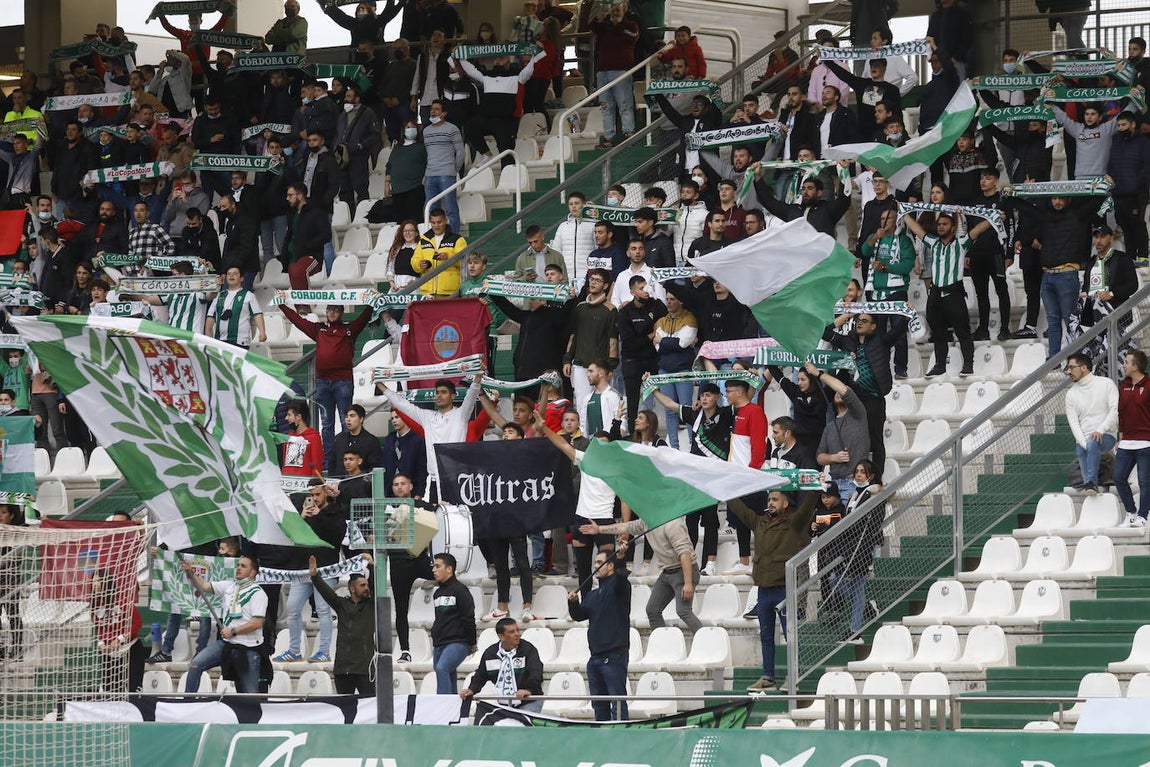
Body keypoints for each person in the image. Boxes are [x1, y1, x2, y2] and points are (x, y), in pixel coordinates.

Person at [728, 490, 817, 691]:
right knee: (766, 636)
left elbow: (807, 507)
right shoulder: (760, 522)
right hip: (763, 589)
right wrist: (727, 492)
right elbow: (741, 510)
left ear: (785, 503)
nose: (770, 502)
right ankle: (768, 677)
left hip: (783, 588)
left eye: (775, 499)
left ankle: (793, 677)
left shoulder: (794, 522)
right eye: (769, 499)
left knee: (790, 635)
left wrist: (814, 489)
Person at [902, 211, 992, 377]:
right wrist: (903, 212)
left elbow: (978, 230)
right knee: (938, 332)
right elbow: (916, 229)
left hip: (953, 293)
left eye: (945, 224)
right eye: (939, 224)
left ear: (953, 228)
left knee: (962, 331)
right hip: (935, 294)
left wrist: (992, 217)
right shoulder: (933, 242)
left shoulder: (961, 243)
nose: (941, 227)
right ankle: (940, 366)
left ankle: (968, 365)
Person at [581, 511, 701, 633]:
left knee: (683, 611)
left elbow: (685, 553)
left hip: (684, 569)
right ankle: (660, 641)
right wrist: (599, 529)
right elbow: (625, 527)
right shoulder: (646, 522)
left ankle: (705, 638)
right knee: (652, 610)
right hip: (667, 571)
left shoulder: (673, 524)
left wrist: (688, 583)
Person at [281, 302, 372, 461]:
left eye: (335, 310)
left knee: (346, 422)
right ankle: (329, 461)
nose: (332, 313)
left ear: (342, 312)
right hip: (323, 382)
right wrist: (281, 305)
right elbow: (298, 321)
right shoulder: (318, 329)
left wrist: (372, 302)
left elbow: (364, 317)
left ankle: (347, 459)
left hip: (343, 382)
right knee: (327, 424)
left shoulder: (349, 329)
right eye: (329, 309)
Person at [383, 374, 483, 501]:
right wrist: (380, 385)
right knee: (434, 514)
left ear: (453, 396)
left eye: (443, 392)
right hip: (434, 482)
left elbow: (472, 395)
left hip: (456, 479)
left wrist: (478, 377)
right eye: (437, 392)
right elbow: (402, 404)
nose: (439, 395)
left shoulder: (461, 415)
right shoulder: (427, 417)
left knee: (458, 513)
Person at [180, 555, 267, 693]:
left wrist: (233, 631)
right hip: (227, 643)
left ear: (252, 573)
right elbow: (202, 586)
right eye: (238, 565)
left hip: (248, 648)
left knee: (250, 695)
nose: (238, 568)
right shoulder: (229, 586)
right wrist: (189, 571)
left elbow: (257, 623)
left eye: (243, 566)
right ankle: (188, 701)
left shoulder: (258, 593)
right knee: (195, 664)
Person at [820, 460, 885, 641]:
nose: (858, 475)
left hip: (863, 546)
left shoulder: (874, 495)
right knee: (835, 580)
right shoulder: (854, 495)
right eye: (857, 471)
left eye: (862, 472)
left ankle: (855, 630)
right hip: (849, 546)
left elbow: (874, 522)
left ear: (870, 476)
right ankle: (866, 607)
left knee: (857, 585)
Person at [567, 545, 630, 720]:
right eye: (595, 562)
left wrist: (621, 558)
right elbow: (579, 616)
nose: (595, 566)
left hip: (614, 654)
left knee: (617, 703)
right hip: (595, 657)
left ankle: (621, 732)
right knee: (598, 705)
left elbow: (621, 578)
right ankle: (601, 732)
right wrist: (573, 603)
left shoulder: (620, 587)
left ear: (610, 566)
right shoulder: (592, 594)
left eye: (599, 562)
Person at [380, 472, 435, 664]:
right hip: (398, 564)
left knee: (446, 580)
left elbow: (435, 515)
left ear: (411, 486)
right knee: (401, 609)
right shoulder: (386, 508)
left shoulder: (422, 506)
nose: (399, 487)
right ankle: (405, 650)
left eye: (403, 483)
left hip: (419, 560)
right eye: (396, 484)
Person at [460, 617, 545, 712]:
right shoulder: (490, 653)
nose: (517, 634)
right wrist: (471, 690)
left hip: (529, 700)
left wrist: (528, 690)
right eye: (512, 632)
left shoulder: (528, 649)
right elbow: (480, 675)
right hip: (503, 704)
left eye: (517, 630)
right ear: (501, 636)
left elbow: (536, 673)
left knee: (521, 721)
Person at [816, 365, 872, 504]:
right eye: (835, 391)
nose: (838, 392)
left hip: (854, 483)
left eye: (840, 390)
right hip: (833, 486)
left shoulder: (858, 415)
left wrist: (819, 374)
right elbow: (819, 457)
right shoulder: (829, 427)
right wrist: (833, 457)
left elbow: (844, 390)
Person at [1065, 352, 1119, 495]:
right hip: (1085, 441)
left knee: (1093, 442)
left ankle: (1091, 483)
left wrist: (1100, 430)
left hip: (1106, 435)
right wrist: (1084, 443)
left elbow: (1114, 411)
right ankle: (1089, 486)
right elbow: (1073, 422)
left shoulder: (1106, 383)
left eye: (1071, 367)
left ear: (1084, 368)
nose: (1068, 372)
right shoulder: (1071, 394)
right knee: (1082, 447)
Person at [588, 2, 640, 148]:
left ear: (624, 11)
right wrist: (600, 18)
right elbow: (592, 26)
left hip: (622, 71)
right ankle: (608, 138)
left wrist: (617, 25)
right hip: (603, 71)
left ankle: (628, 134)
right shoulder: (604, 26)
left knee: (624, 104)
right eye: (613, 9)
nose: (616, 12)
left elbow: (633, 37)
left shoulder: (630, 25)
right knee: (606, 106)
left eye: (618, 10)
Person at [1106, 112, 1150, 263]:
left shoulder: (1143, 142)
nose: (1121, 128)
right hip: (1119, 191)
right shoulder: (1116, 141)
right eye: (1119, 125)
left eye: (1124, 125)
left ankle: (1143, 255)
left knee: (1137, 223)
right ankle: (1130, 257)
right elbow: (1111, 163)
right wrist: (1110, 176)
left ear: (1133, 124)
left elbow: (1146, 167)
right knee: (1124, 224)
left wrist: (1137, 184)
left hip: (1137, 192)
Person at [430, 552, 476, 694]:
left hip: (458, 641)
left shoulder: (460, 591)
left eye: (438, 566)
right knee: (448, 673)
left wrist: (472, 643)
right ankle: (454, 706)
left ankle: (442, 705)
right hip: (440, 643)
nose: (433, 570)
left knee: (442, 668)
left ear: (449, 569)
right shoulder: (437, 593)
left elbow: (468, 618)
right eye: (433, 566)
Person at [1117, 350, 1150, 527]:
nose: (1124, 365)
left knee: (1145, 482)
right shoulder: (1123, 386)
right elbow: (1121, 414)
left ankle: (1143, 516)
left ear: (1135, 366)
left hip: (1146, 441)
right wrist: (1121, 437)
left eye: (1127, 362)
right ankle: (1131, 513)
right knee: (1118, 478)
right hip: (1126, 442)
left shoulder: (1149, 385)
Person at [422, 100, 465, 233]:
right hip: (430, 175)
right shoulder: (426, 131)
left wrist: (453, 170)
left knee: (451, 208)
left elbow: (460, 152)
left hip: (446, 174)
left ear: (444, 113)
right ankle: (436, 237)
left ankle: (454, 236)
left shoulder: (452, 128)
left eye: (436, 109)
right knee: (432, 209)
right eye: (432, 109)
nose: (433, 112)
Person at [205, 267, 267, 348]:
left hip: (240, 342)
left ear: (241, 278)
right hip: (220, 341)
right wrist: (208, 336)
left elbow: (257, 314)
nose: (231, 276)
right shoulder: (219, 295)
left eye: (235, 273)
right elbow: (210, 316)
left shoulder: (248, 295)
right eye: (229, 274)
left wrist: (262, 332)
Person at [412, 208, 466, 297]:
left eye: (439, 222)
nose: (436, 225)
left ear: (445, 221)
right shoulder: (424, 240)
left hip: (449, 291)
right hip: (427, 292)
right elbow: (414, 261)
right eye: (433, 223)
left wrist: (448, 257)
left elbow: (464, 262)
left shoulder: (457, 239)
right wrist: (419, 264)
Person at [281, 399, 324, 478]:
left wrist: (313, 483)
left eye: (289, 415)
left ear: (298, 417)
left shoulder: (314, 437)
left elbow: (317, 465)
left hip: (304, 483)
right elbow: (284, 463)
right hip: (286, 481)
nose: (286, 418)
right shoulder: (289, 437)